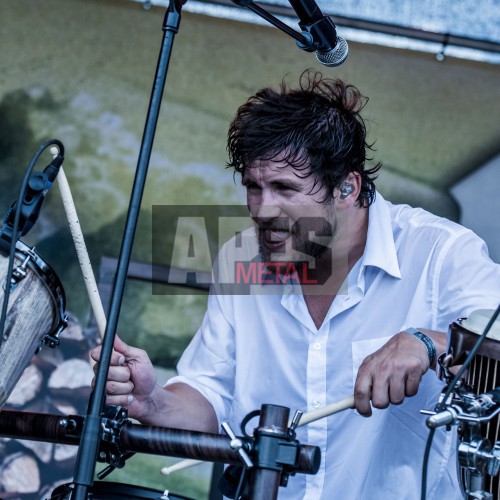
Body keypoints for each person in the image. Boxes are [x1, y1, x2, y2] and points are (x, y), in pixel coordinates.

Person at [91, 71, 500, 499]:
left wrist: (429, 342)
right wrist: (152, 400)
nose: (263, 209)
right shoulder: (239, 258)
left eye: (285, 187)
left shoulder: (439, 253)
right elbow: (212, 396)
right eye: (254, 186)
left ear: (347, 186)